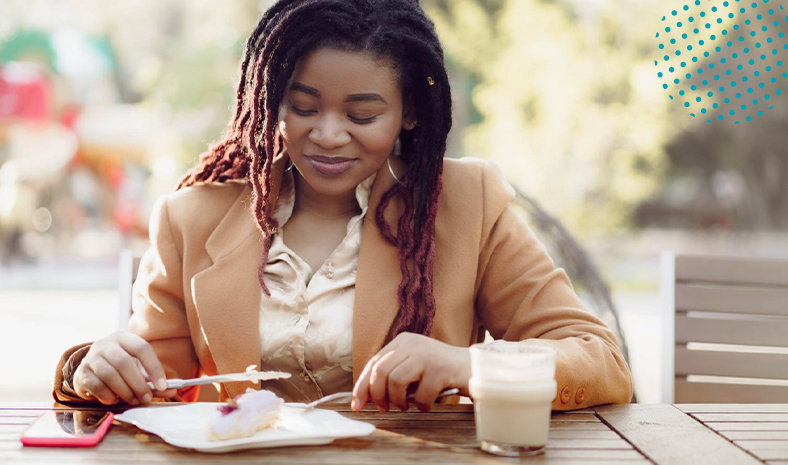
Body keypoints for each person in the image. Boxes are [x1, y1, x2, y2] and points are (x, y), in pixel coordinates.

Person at [53, 0, 632, 412]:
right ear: (271, 99)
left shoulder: (465, 205)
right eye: (303, 107)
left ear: (408, 113)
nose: (329, 135)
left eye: (361, 116)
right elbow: (158, 389)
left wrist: (468, 367)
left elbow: (599, 359)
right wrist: (97, 370)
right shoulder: (192, 217)